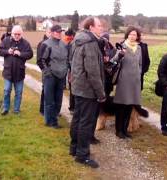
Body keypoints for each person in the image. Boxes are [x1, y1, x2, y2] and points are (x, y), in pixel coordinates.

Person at [69, 17, 105, 168]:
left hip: (78, 87)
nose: (102, 28)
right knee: (85, 122)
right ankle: (82, 155)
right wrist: (101, 93)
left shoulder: (78, 39)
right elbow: (93, 71)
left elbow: (72, 61)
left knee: (77, 118)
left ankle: (74, 148)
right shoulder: (89, 43)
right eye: (99, 25)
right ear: (91, 27)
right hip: (87, 90)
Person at [113, 26, 143, 139]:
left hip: (135, 82)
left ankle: (125, 130)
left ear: (137, 37)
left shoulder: (139, 48)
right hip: (123, 80)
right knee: (121, 106)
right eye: (130, 34)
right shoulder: (122, 46)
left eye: (134, 35)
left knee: (130, 106)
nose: (132, 36)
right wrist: (120, 54)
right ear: (127, 35)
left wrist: (138, 74)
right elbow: (115, 60)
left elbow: (140, 64)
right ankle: (118, 130)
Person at [0, 25, 33, 115]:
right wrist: (7, 51)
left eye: (19, 34)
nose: (17, 35)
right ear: (12, 33)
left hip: (19, 73)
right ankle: (5, 108)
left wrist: (20, 54)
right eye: (15, 34)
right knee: (7, 91)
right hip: (8, 72)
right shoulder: (6, 41)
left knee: (19, 92)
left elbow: (30, 54)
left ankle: (16, 110)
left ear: (22, 34)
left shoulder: (25, 43)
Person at [38, 25, 68, 129]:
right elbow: (40, 61)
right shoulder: (45, 45)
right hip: (50, 76)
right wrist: (48, 73)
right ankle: (49, 121)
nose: (60, 33)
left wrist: (65, 71)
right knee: (49, 100)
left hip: (61, 76)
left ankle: (54, 119)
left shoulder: (64, 45)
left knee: (58, 100)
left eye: (61, 32)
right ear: (52, 32)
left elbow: (67, 60)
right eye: (57, 32)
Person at [36, 27, 52, 116]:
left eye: (51, 32)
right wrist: (45, 70)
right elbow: (39, 60)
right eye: (49, 32)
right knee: (45, 90)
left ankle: (52, 110)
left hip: (55, 71)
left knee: (53, 91)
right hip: (46, 70)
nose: (50, 34)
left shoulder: (55, 43)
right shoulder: (42, 44)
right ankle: (42, 109)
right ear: (46, 32)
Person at [63, 28, 76, 113]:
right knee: (73, 90)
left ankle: (73, 108)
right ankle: (72, 108)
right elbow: (68, 59)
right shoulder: (69, 44)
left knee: (73, 90)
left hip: (71, 69)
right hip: (72, 70)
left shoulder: (69, 43)